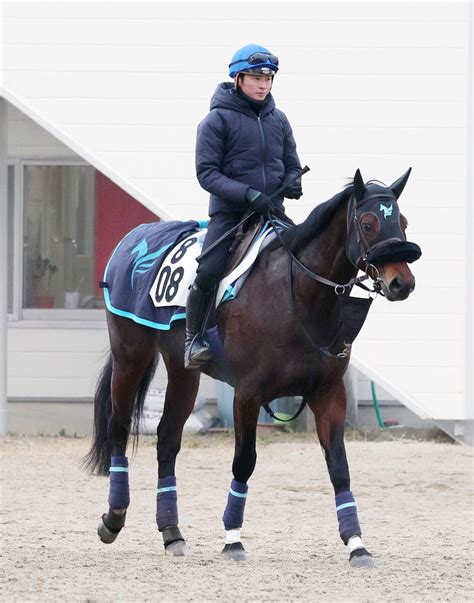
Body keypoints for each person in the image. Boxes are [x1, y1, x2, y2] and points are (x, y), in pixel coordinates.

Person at [184, 43, 303, 368]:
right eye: (255, 77)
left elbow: (292, 163)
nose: (263, 84)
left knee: (305, 262)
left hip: (272, 212)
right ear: (238, 78)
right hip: (231, 215)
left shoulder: (279, 120)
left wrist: (294, 182)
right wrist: (248, 194)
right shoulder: (215, 121)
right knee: (208, 270)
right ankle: (193, 338)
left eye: (268, 78)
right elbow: (207, 174)